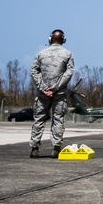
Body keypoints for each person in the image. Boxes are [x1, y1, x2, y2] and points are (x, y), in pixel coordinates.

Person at [29, 29, 75, 159]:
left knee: (38, 120)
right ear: (63, 40)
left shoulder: (41, 54)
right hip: (59, 93)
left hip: (42, 94)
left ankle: (35, 148)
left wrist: (43, 88)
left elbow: (34, 71)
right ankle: (55, 148)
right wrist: (55, 88)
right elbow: (68, 73)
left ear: (50, 39)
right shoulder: (67, 54)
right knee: (58, 120)